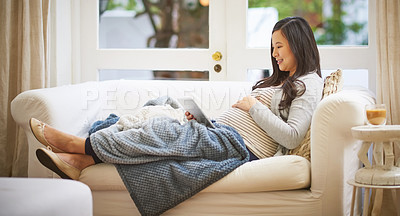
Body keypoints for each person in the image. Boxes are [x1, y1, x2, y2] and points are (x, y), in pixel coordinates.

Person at [31, 16, 322, 192]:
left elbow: (292, 136)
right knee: (161, 107)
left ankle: (78, 146)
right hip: (222, 133)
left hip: (242, 147)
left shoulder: (309, 83)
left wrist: (252, 107)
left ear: (298, 44)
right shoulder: (284, 80)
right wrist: (207, 119)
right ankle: (84, 160)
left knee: (163, 130)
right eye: (272, 47)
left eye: (279, 46)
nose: (274, 53)